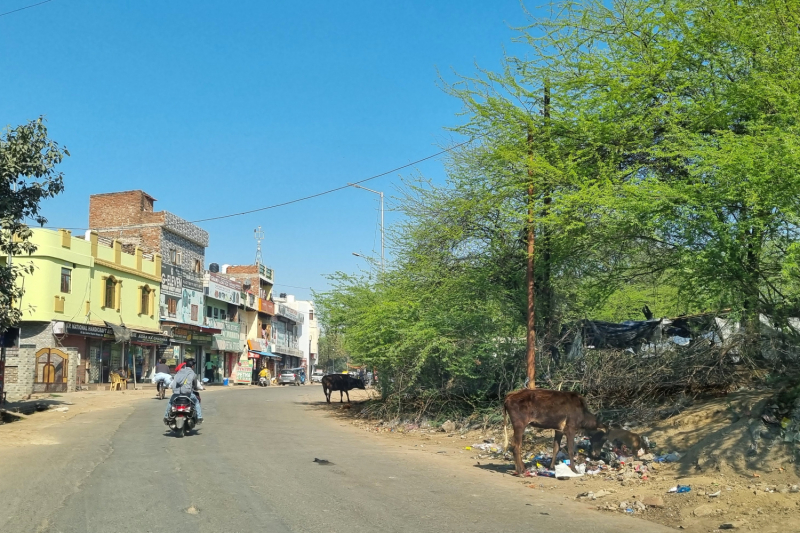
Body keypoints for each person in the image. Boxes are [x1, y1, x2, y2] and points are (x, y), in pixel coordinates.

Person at [164, 359, 202, 424]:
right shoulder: (192, 374)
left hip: (176, 393)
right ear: (192, 366)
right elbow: (195, 385)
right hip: (187, 394)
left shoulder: (179, 372)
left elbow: (173, 382)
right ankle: (199, 417)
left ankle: (166, 417)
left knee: (170, 402)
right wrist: (197, 388)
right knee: (196, 402)